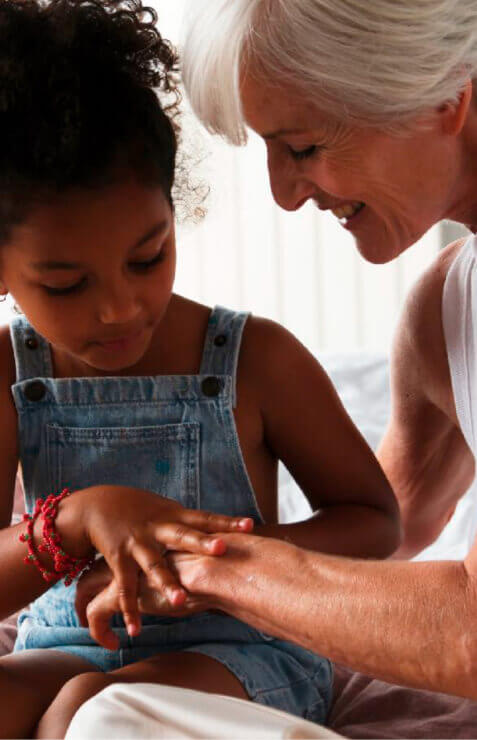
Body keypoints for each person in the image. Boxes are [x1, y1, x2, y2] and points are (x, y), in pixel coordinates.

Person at [0, 0, 400, 737]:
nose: (119, 309)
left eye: (147, 257)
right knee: (68, 694)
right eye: (65, 285)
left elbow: (374, 521)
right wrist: (78, 519)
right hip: (67, 641)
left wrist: (210, 566)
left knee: (92, 716)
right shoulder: (8, 372)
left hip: (240, 643)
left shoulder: (256, 359)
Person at [78, 0, 477, 712]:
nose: (283, 195)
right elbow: (386, 532)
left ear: (448, 94)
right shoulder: (443, 309)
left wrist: (209, 568)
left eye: (302, 148)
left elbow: (467, 633)